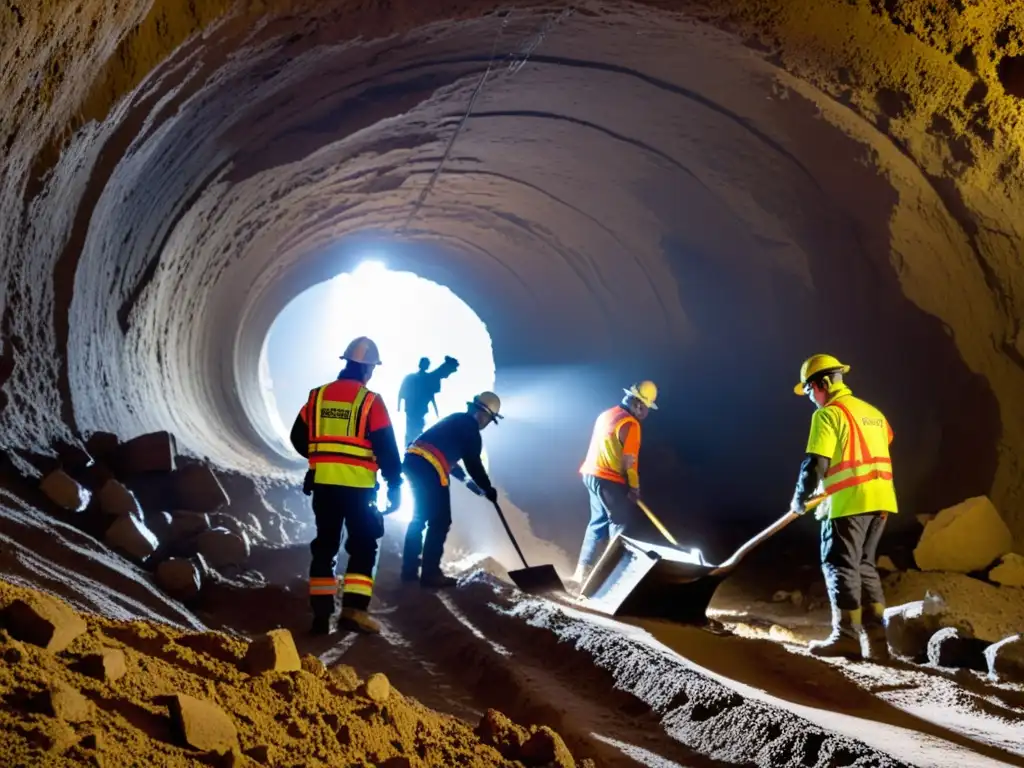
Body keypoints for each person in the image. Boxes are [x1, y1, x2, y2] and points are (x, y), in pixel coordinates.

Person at [289, 336, 402, 636]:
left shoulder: (317, 397)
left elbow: (298, 438)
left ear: (347, 363)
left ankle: (321, 617)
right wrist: (395, 484)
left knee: (325, 548)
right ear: (367, 369)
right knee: (364, 547)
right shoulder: (370, 402)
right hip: (359, 490)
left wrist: (322, 457)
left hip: (324, 487)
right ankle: (353, 612)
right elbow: (387, 449)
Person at [789, 354, 897, 660]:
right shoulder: (872, 412)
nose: (809, 397)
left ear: (822, 384)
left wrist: (800, 497)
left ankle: (846, 637)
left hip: (850, 500)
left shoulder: (828, 415)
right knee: (865, 566)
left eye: (809, 390)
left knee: (839, 564)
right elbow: (884, 439)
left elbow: (816, 463)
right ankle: (878, 643)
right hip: (882, 500)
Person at [401, 392, 502, 587]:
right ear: (483, 415)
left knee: (419, 518)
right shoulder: (471, 430)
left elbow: (451, 462)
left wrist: (472, 484)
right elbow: (473, 464)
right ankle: (430, 574)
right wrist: (488, 487)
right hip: (430, 466)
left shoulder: (455, 419)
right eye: (489, 420)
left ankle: (409, 570)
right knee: (440, 520)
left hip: (413, 460)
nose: (487, 423)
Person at [572, 381, 658, 587]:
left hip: (591, 474)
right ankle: (612, 579)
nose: (646, 413)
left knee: (598, 523)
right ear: (638, 404)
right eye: (646, 408)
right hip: (608, 479)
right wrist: (634, 487)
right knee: (620, 525)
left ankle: (581, 573)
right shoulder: (631, 424)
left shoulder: (607, 414)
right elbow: (629, 460)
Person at [398, 356, 460, 446]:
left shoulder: (422, 378)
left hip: (417, 411)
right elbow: (402, 393)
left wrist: (436, 410)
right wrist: (399, 406)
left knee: (415, 432)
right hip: (413, 411)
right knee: (413, 433)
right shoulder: (414, 378)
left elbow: (431, 395)